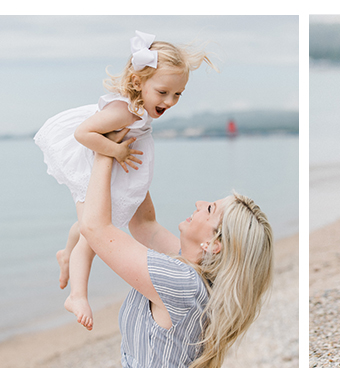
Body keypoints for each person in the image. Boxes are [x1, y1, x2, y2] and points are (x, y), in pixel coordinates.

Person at [33, 31, 213, 330]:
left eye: (177, 94)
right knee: (93, 234)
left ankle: (66, 254)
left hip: (110, 167)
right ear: (137, 83)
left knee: (87, 226)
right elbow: (83, 134)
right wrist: (115, 151)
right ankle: (76, 295)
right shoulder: (123, 114)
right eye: (163, 92)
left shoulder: (138, 110)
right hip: (92, 167)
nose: (170, 101)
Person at [80, 146, 273, 368]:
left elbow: (95, 228)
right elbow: (143, 224)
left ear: (214, 244)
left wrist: (103, 151)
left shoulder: (182, 283)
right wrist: (131, 145)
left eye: (210, 209)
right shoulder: (195, 272)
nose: (199, 203)